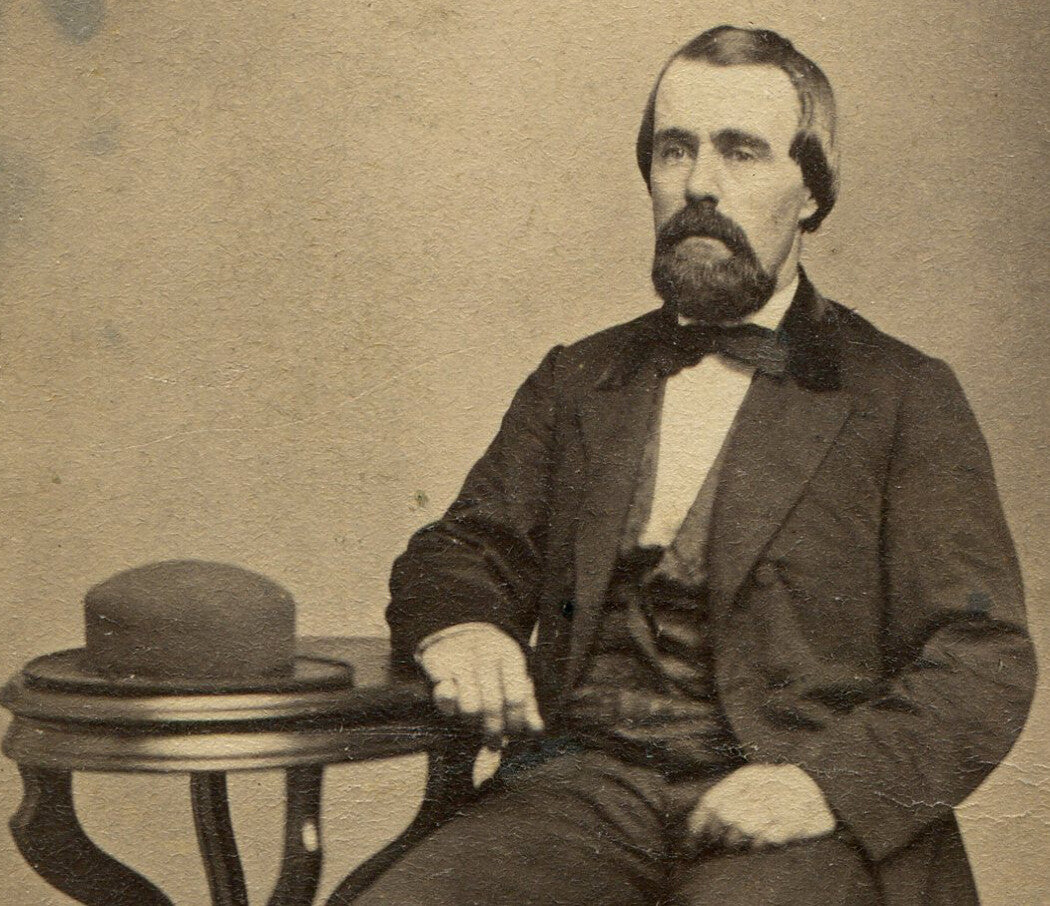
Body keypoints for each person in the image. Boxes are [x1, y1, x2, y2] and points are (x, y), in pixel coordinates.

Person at [339, 25, 1036, 906]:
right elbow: (464, 547)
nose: (700, 185)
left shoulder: (902, 395)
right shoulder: (580, 378)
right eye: (676, 150)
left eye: (741, 152)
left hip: (787, 805)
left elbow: (980, 655)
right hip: (579, 793)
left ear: (812, 195)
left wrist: (824, 786)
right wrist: (464, 628)